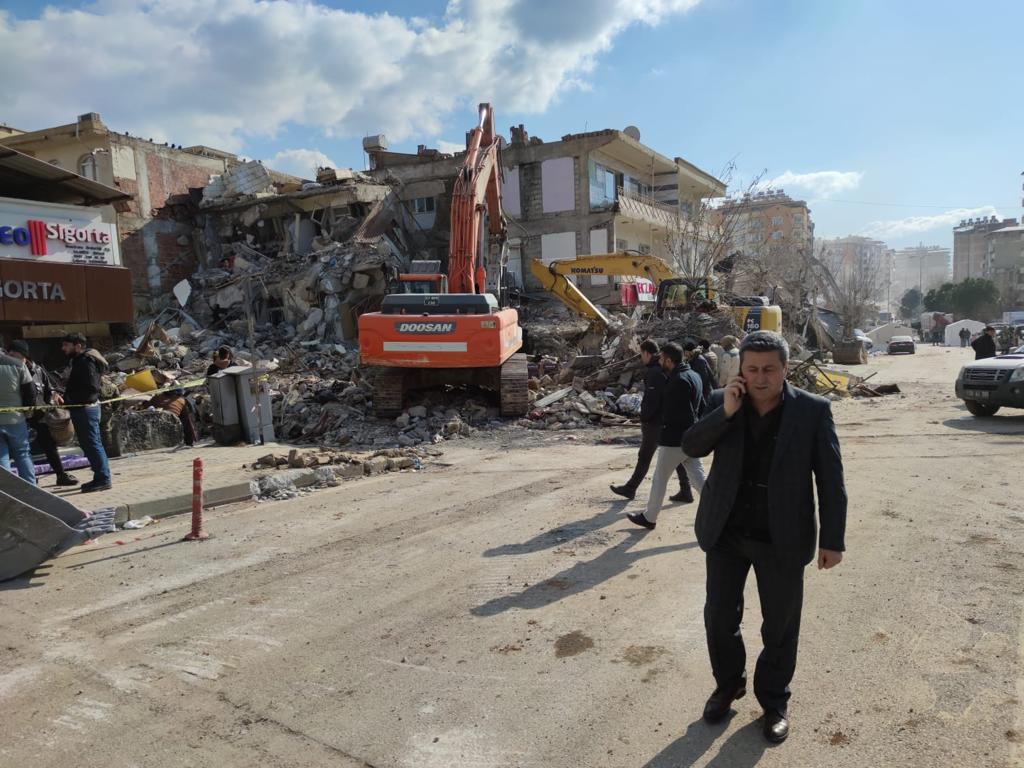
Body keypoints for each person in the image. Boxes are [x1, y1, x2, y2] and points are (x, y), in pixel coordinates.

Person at [682, 331, 846, 744]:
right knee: (719, 617)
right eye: (751, 369)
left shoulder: (812, 410)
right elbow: (692, 446)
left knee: (780, 625)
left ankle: (774, 700)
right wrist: (726, 413)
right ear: (741, 369)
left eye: (769, 369)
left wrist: (833, 539)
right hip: (727, 531)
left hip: (782, 537)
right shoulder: (723, 401)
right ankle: (728, 685)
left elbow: (830, 479)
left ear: (785, 369)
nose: (759, 378)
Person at [627, 343, 706, 530]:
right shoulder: (693, 375)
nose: (659, 361)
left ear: (669, 361)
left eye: (662, 359)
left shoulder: (677, 381)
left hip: (675, 439)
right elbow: (702, 405)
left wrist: (663, 428)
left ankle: (649, 517)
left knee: (660, 479)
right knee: (699, 479)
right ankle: (722, 509)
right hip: (690, 437)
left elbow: (675, 413)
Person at [610, 340, 694, 503]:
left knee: (645, 456)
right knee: (675, 456)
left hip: (655, 421)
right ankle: (686, 490)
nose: (641, 358)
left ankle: (630, 488)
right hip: (663, 419)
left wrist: (645, 417)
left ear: (646, 353)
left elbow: (653, 399)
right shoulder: (662, 369)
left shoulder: (654, 372)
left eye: (641, 354)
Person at [8, 340, 77, 486]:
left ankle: (61, 475)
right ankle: (29, 478)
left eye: (16, 354)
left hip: (40, 416)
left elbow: (49, 390)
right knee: (20, 450)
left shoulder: (38, 370)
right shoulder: (10, 370)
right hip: (18, 417)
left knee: (49, 447)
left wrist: (51, 401)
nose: (13, 357)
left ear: (24, 355)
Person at [62, 333, 112, 493]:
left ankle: (103, 478)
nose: (63, 348)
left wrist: (72, 399)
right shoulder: (79, 361)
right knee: (90, 444)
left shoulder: (85, 362)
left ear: (78, 346)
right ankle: (100, 477)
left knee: (92, 444)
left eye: (66, 345)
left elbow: (91, 387)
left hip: (85, 409)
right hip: (84, 409)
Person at [0, 347, 37, 484]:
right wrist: (28, 413)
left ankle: (6, 490)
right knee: (22, 454)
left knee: (1, 456)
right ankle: (31, 488)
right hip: (16, 418)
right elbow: (30, 392)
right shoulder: (18, 364)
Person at [684, 340, 716, 404]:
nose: (685, 354)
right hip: (701, 391)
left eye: (685, 352)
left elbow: (703, 378)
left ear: (689, 352)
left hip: (704, 391)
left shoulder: (699, 360)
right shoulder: (693, 358)